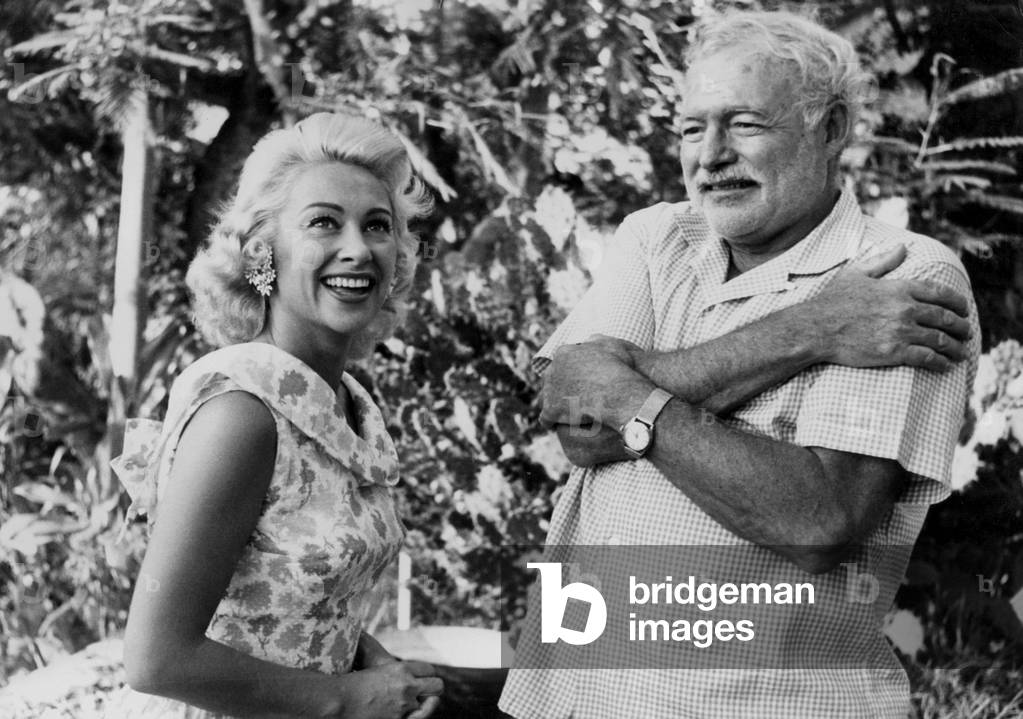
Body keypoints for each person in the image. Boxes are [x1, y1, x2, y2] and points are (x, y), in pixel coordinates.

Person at [500, 10, 979, 719]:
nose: (709, 155)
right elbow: (573, 417)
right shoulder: (656, 237)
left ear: (832, 129)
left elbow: (818, 521)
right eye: (692, 128)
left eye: (744, 124)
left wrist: (630, 396)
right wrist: (810, 329)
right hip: (570, 693)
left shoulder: (903, 276)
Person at [108, 113, 443, 718]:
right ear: (264, 252)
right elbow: (155, 659)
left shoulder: (344, 405)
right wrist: (345, 698)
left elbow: (286, 600)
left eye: (378, 226)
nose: (357, 248)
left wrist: (370, 664)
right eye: (323, 222)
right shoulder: (243, 413)